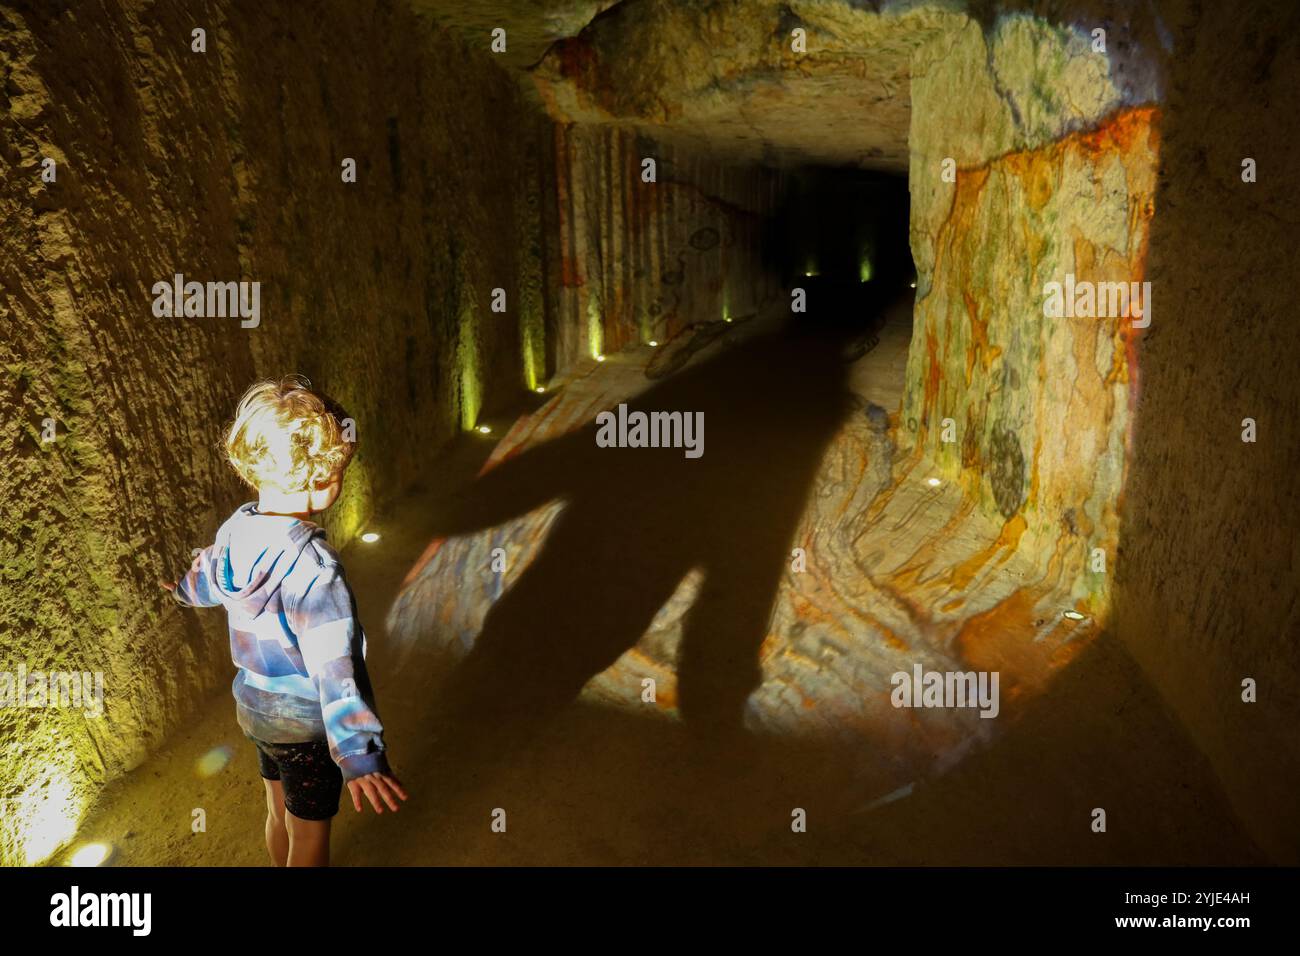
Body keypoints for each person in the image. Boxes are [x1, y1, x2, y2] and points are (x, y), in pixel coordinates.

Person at [163, 376, 406, 866]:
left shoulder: (237, 526)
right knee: (311, 839)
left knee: (279, 814)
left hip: (256, 713)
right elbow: (335, 672)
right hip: (306, 729)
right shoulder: (316, 570)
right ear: (323, 480)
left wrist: (187, 591)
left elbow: (209, 574)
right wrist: (359, 754)